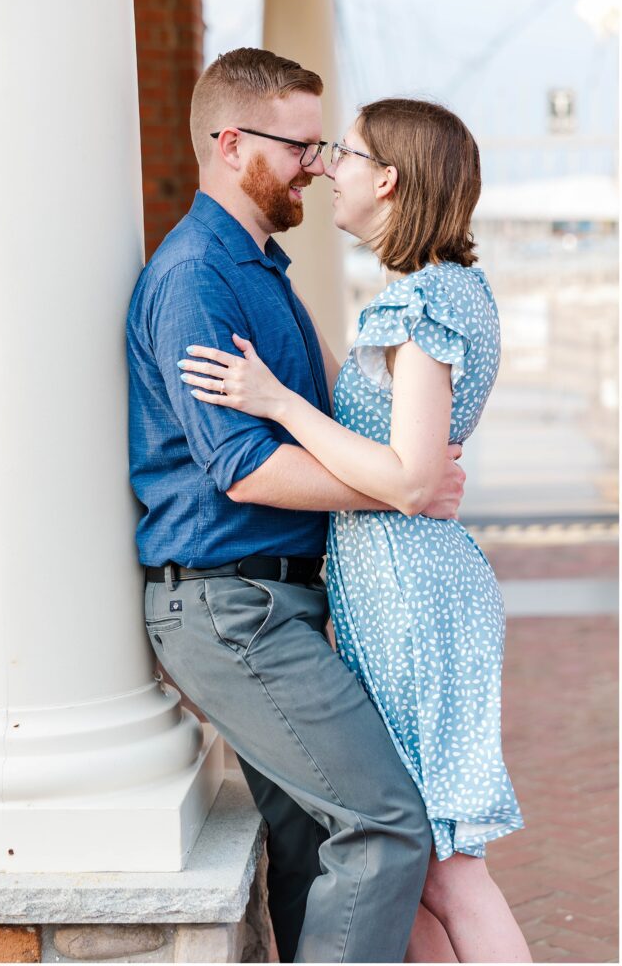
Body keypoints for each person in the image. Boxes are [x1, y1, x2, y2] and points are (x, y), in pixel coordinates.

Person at [127, 49, 466, 963]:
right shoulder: (199, 275)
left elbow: (320, 422)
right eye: (302, 147)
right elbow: (242, 469)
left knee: (315, 846)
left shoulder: (259, 266)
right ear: (231, 144)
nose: (318, 167)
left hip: (269, 601)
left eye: (327, 149)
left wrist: (410, 469)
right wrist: (404, 488)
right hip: (228, 607)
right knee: (387, 824)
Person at [179, 98, 532, 963]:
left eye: (347, 152)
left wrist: (275, 402)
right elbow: (390, 445)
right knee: (412, 872)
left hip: (412, 600)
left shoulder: (424, 304)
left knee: (447, 870)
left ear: (390, 179)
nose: (330, 165)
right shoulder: (433, 292)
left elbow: (409, 475)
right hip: (402, 591)